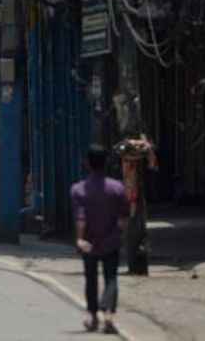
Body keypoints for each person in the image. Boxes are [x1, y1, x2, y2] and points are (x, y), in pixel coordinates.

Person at [71, 143, 129, 334]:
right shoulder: (118, 188)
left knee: (91, 278)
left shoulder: (79, 190)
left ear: (87, 163)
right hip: (111, 240)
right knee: (111, 277)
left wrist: (80, 238)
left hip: (89, 242)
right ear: (106, 163)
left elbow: (81, 217)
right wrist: (121, 233)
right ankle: (109, 315)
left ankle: (94, 316)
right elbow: (123, 217)